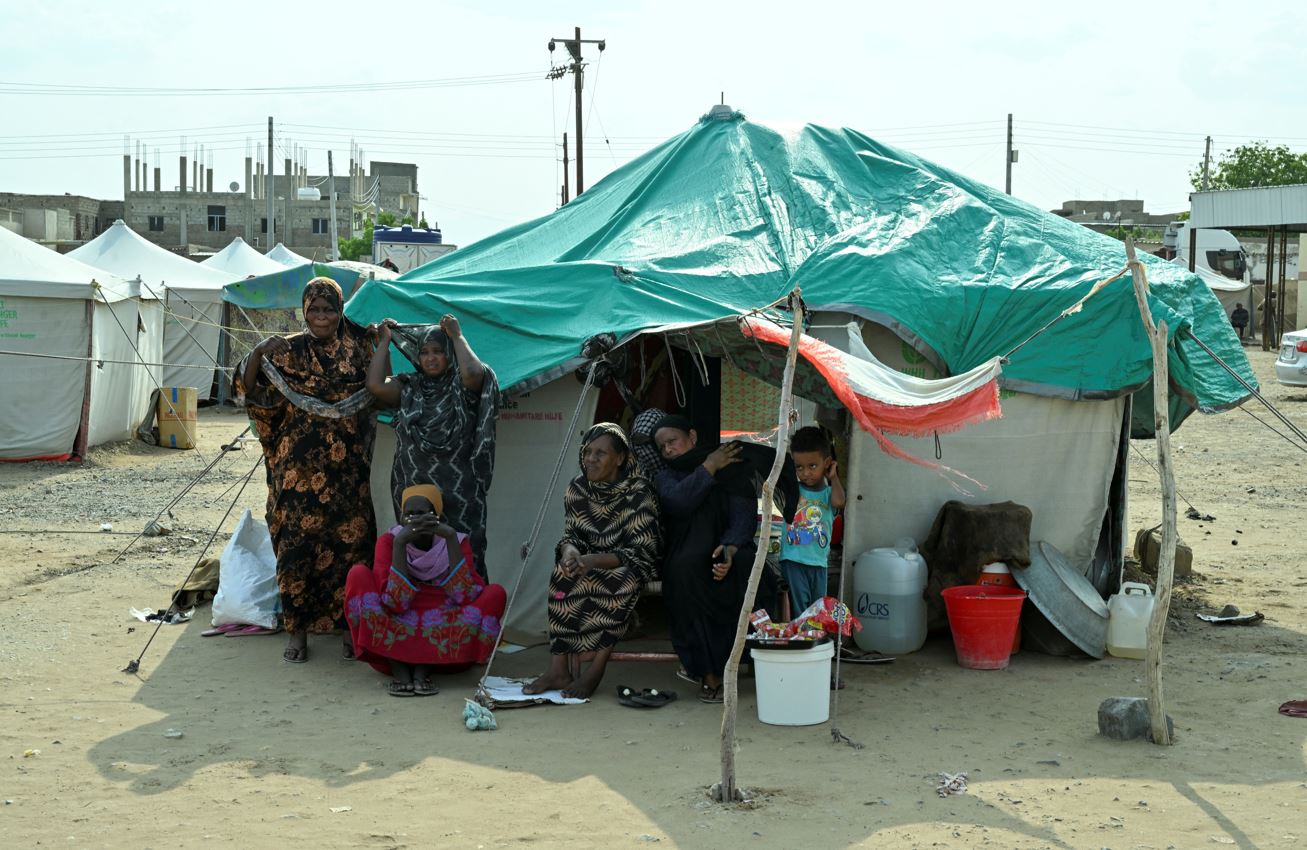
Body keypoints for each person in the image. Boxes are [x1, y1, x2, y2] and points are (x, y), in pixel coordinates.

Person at [235, 277, 378, 664]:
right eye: (314, 310)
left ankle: (349, 628)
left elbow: (379, 384)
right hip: (296, 473)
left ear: (341, 310)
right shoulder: (289, 350)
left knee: (352, 549)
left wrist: (381, 339)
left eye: (329, 309)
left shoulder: (361, 348)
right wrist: (260, 350)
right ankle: (297, 633)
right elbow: (248, 388)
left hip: (348, 472)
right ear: (304, 311)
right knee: (296, 550)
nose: (321, 317)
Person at [652, 415, 796, 704]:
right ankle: (709, 673)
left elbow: (743, 516)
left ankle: (749, 659)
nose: (667, 449)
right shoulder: (665, 476)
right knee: (684, 572)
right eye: (662, 446)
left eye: (672, 441)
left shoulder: (731, 468)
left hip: (727, 547)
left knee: (746, 568)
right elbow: (679, 502)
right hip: (685, 552)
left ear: (692, 436)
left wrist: (730, 548)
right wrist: (709, 467)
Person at [523, 423, 662, 699]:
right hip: (588, 560)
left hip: (628, 564)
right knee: (561, 576)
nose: (591, 459)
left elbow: (643, 551)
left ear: (620, 458)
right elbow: (572, 534)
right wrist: (571, 552)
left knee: (621, 581)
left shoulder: (638, 491)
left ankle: (596, 669)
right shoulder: (577, 488)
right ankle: (558, 667)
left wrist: (594, 560)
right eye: (588, 452)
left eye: (600, 453)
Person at [367, 315, 499, 578]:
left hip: (459, 494)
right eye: (424, 352)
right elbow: (375, 386)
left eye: (438, 351)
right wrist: (384, 343)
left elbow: (473, 372)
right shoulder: (409, 386)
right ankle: (422, 615)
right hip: (414, 492)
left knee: (464, 559)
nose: (430, 358)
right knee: (416, 557)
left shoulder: (463, 387)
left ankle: (466, 616)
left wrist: (456, 335)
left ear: (449, 354)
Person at [344, 484, 507, 696]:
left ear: (436, 515)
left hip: (443, 621)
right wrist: (401, 543)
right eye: (409, 514)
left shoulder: (456, 540)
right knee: (357, 574)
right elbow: (395, 602)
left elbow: (463, 595)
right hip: (399, 620)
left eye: (421, 514)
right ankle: (399, 670)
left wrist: (449, 538)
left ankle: (423, 670)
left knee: (495, 593)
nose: (415, 520)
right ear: (401, 518)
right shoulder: (389, 541)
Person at [781, 426, 846, 615]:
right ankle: (801, 641)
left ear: (826, 462)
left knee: (818, 609)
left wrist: (833, 477)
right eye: (799, 467)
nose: (806, 473)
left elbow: (840, 501)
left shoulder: (828, 494)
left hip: (819, 562)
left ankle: (814, 640)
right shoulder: (793, 490)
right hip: (793, 559)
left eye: (813, 466)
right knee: (799, 607)